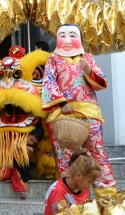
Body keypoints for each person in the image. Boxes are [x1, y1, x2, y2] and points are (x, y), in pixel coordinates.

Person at [42, 23, 116, 197]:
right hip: (63, 115)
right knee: (65, 156)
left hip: (89, 114)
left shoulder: (87, 58)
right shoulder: (53, 59)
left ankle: (107, 196)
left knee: (97, 152)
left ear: (80, 39)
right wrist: (62, 104)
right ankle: (69, 198)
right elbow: (48, 83)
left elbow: (100, 83)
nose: (67, 40)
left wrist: (89, 71)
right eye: (63, 36)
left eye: (72, 36)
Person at [44, 150, 101, 215]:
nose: (90, 185)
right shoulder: (57, 191)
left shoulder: (82, 186)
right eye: (89, 181)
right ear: (78, 176)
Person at [0, 125, 44, 200]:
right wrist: (23, 147)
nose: (31, 142)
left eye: (33, 142)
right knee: (3, 176)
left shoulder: (28, 146)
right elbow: (10, 144)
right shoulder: (15, 134)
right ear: (28, 133)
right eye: (31, 139)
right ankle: (8, 173)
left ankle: (22, 191)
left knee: (20, 173)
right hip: (6, 161)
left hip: (17, 165)